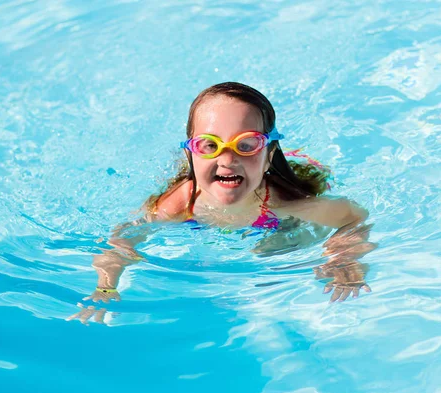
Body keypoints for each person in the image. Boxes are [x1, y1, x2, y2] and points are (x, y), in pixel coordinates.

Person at [68, 82, 375, 323]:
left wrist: (343, 255)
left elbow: (353, 216)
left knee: (276, 249)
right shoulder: (182, 203)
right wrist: (106, 284)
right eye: (209, 145)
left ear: (268, 156)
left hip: (268, 221)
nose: (227, 159)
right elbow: (123, 238)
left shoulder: (286, 203)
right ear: (191, 154)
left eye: (247, 145)